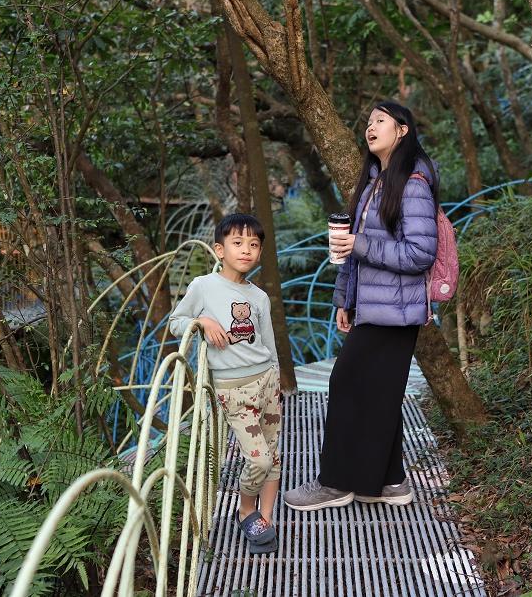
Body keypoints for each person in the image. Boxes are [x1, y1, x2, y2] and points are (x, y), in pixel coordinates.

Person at [283, 101, 439, 511]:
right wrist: (344, 300)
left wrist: (361, 243)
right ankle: (391, 483)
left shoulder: (413, 184)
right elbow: (353, 254)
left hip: (398, 312)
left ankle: (336, 483)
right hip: (373, 307)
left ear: (402, 131)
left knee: (347, 385)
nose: (370, 127)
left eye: (380, 121)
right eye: (368, 121)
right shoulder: (374, 184)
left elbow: (421, 253)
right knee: (378, 394)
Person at [168, 214, 282, 554]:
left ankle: (266, 518)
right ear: (220, 249)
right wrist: (201, 319)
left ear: (259, 252)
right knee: (259, 459)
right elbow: (176, 322)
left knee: (273, 457)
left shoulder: (259, 297)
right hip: (233, 389)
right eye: (237, 243)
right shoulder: (203, 287)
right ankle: (245, 509)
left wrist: (276, 378)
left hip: (267, 381)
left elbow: (269, 342)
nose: (246, 250)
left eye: (253, 244)